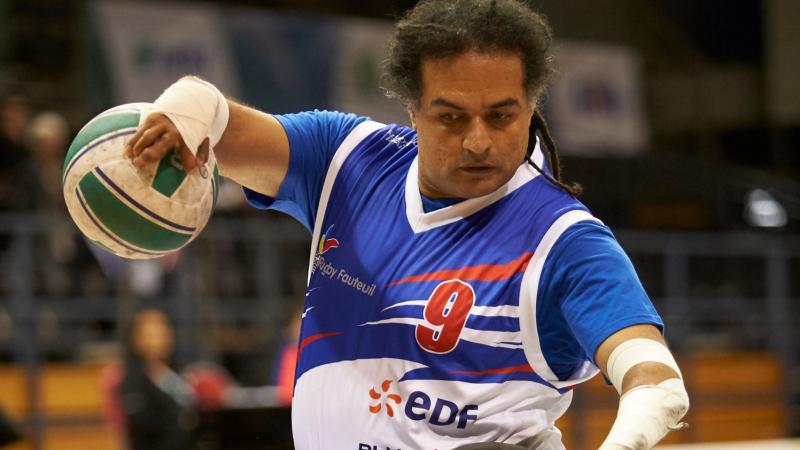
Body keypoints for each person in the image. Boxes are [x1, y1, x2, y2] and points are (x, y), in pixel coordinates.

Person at [125, 1, 690, 448]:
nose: (477, 140)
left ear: (530, 103)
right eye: (450, 117)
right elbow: (221, 126)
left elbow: (655, 381)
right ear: (412, 109)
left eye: (501, 115)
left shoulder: (565, 241)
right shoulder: (346, 160)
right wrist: (187, 105)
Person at [116, 308, 197, 450]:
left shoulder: (178, 372)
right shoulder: (132, 380)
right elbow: (143, 424)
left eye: (162, 334)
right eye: (151, 335)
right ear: (137, 339)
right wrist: (182, 419)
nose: (158, 341)